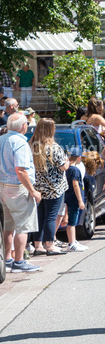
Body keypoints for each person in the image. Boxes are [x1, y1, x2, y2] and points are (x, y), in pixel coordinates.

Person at [1, 113, 42, 273]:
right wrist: (33, 191)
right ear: (23, 126)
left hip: (3, 186)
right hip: (17, 187)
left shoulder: (1, 139)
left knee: (8, 225)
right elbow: (21, 169)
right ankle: (19, 261)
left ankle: (8, 259)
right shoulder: (20, 143)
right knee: (23, 226)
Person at [26, 118, 70, 257]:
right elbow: (63, 166)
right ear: (51, 130)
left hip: (37, 187)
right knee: (51, 216)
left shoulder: (31, 145)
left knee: (39, 216)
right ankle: (50, 245)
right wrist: (68, 161)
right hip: (54, 187)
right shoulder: (54, 147)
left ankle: (38, 245)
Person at [63, 147, 88, 252]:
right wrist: (80, 200)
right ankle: (72, 243)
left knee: (71, 220)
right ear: (78, 158)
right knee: (72, 222)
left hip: (68, 197)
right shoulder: (75, 170)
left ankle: (73, 241)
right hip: (74, 198)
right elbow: (76, 185)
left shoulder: (67, 169)